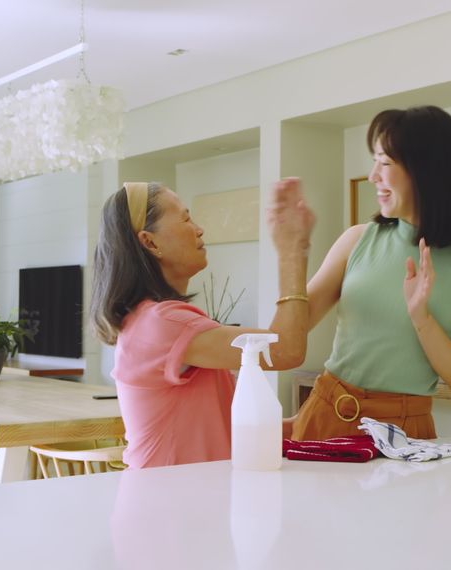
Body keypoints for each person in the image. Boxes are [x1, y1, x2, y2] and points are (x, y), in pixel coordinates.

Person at [291, 105, 451, 441]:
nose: (373, 175)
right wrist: (294, 252)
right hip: (326, 413)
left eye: (385, 163)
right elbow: (292, 330)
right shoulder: (357, 239)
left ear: (426, 171)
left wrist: (422, 319)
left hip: (405, 431)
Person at [90, 178, 315, 469]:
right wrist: (292, 252)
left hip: (179, 497)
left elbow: (214, 427)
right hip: (172, 504)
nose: (198, 229)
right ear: (150, 241)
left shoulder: (151, 320)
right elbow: (286, 348)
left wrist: (302, 422)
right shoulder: (164, 323)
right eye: (185, 218)